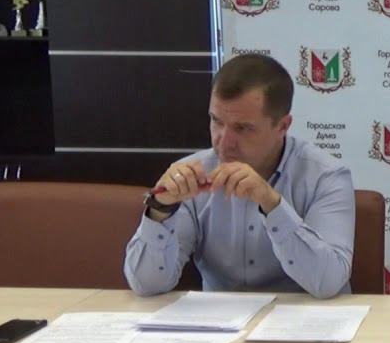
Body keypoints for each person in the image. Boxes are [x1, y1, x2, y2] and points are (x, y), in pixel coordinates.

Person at [124, 54, 355, 297]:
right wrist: (160, 210)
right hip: (220, 318)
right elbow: (147, 285)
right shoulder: (190, 174)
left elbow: (327, 282)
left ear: (282, 126)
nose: (224, 142)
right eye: (216, 121)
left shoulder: (326, 176)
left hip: (306, 316)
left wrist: (272, 205)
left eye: (243, 128)